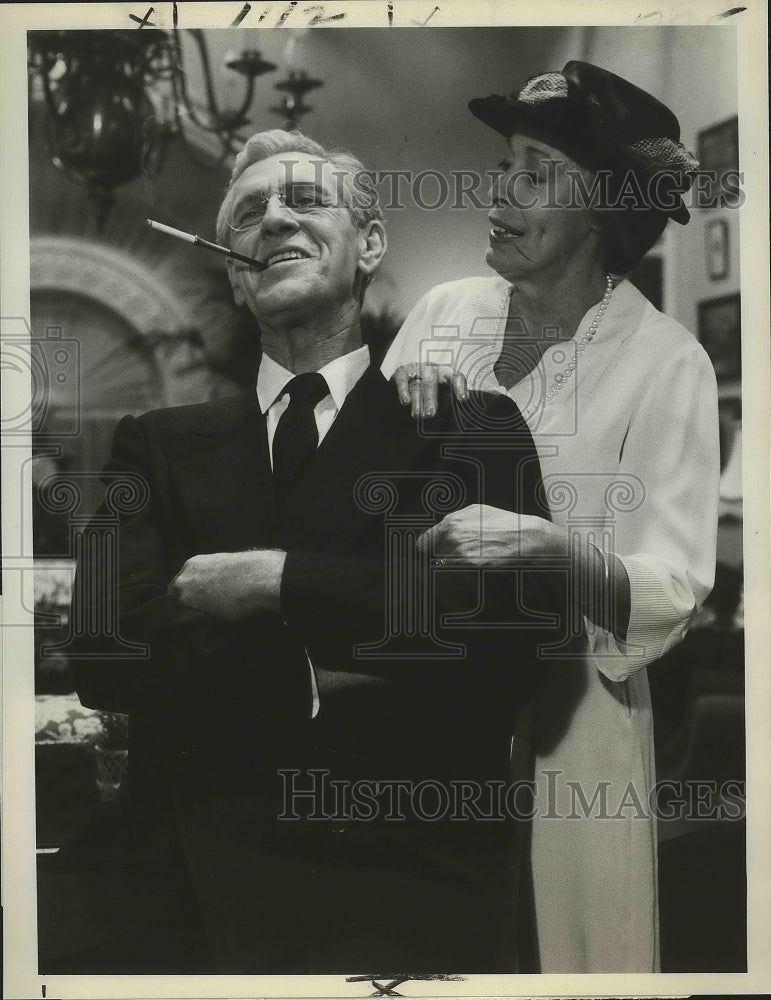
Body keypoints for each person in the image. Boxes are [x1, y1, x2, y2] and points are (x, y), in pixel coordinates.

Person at [65, 130, 566, 974]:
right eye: (250, 213)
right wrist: (334, 664)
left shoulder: (467, 427)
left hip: (404, 881)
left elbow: (509, 643)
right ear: (233, 269)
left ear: (368, 244)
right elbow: (107, 650)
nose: (273, 222)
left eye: (304, 201)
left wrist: (277, 582)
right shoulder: (150, 442)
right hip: (180, 885)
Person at [382, 61, 720, 973]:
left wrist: (546, 547)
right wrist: (392, 432)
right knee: (418, 945)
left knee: (565, 953)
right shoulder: (444, 313)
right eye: (503, 168)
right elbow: (357, 506)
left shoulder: (666, 363)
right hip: (423, 704)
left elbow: (673, 586)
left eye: (534, 174)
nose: (498, 194)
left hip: (573, 729)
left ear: (603, 212)